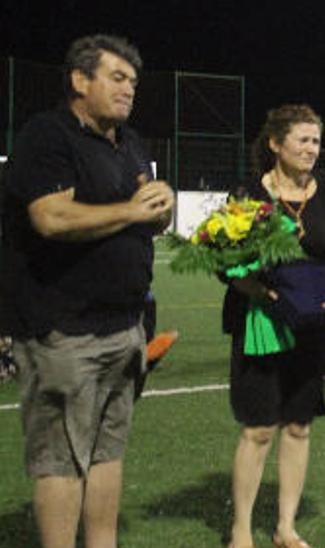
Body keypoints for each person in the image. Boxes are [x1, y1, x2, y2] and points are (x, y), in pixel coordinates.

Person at [0, 34, 174, 547]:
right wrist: (131, 210)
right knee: (60, 457)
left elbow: (148, 219)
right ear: (80, 80)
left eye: (134, 83)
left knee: (106, 453)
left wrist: (160, 209)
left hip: (124, 326)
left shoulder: (129, 141)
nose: (129, 91)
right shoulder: (48, 136)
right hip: (63, 328)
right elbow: (50, 217)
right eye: (117, 78)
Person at [222, 104, 325, 548]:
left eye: (316, 141)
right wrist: (247, 286)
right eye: (302, 140)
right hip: (262, 321)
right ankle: (241, 530)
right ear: (275, 144)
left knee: (299, 425)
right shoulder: (248, 194)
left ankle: (285, 527)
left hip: (317, 324)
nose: (311, 149)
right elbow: (225, 261)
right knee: (259, 428)